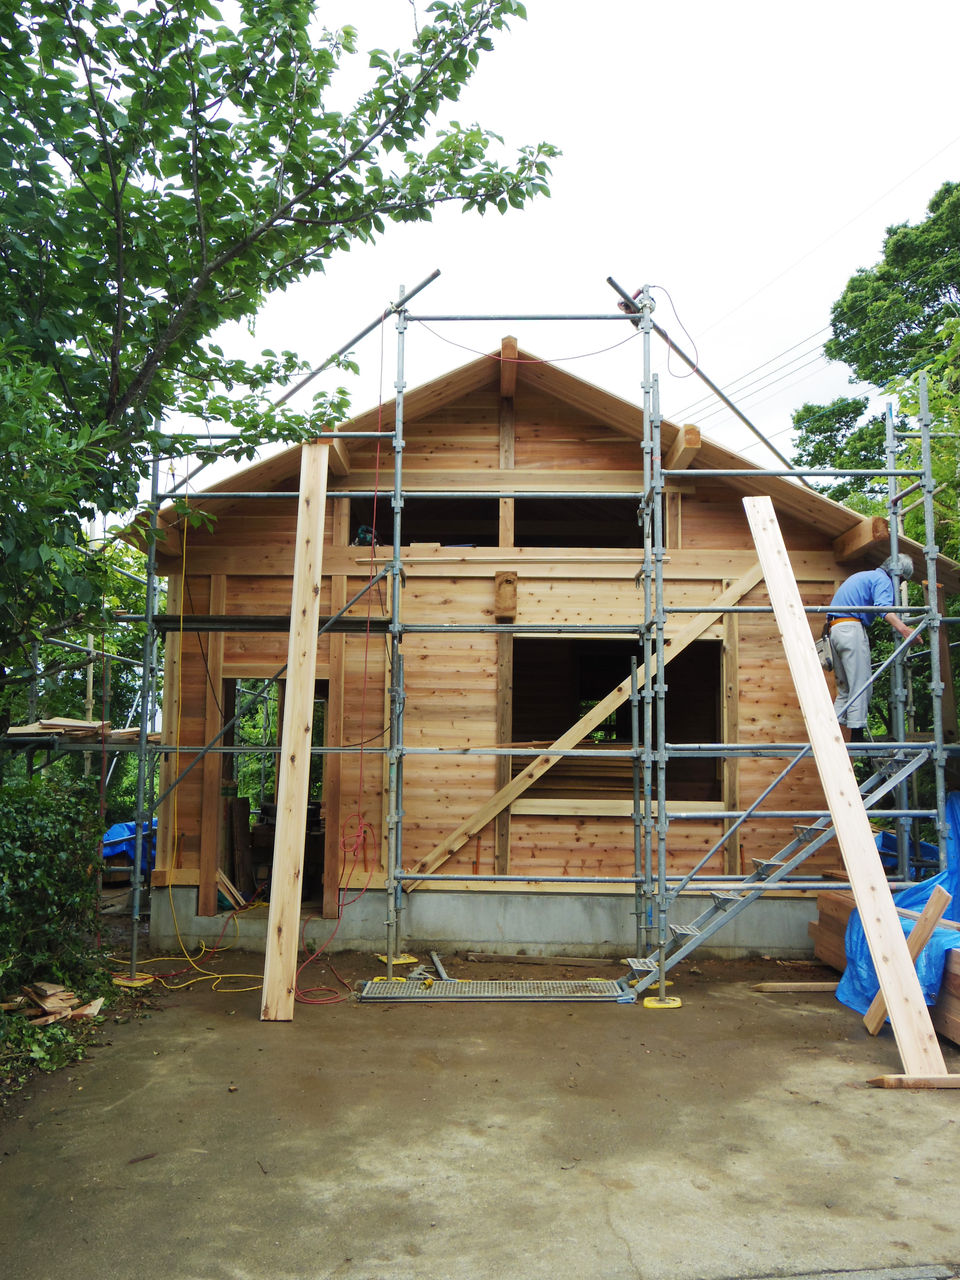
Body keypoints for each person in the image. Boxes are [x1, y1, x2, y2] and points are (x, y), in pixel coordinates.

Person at [826, 553, 919, 742]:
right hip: (851, 629)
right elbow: (883, 608)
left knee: (845, 690)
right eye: (901, 581)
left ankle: (829, 734)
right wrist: (904, 629)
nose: (900, 586)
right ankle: (857, 738)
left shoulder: (865, 576)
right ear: (898, 575)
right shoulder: (882, 580)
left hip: (834, 631)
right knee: (861, 685)